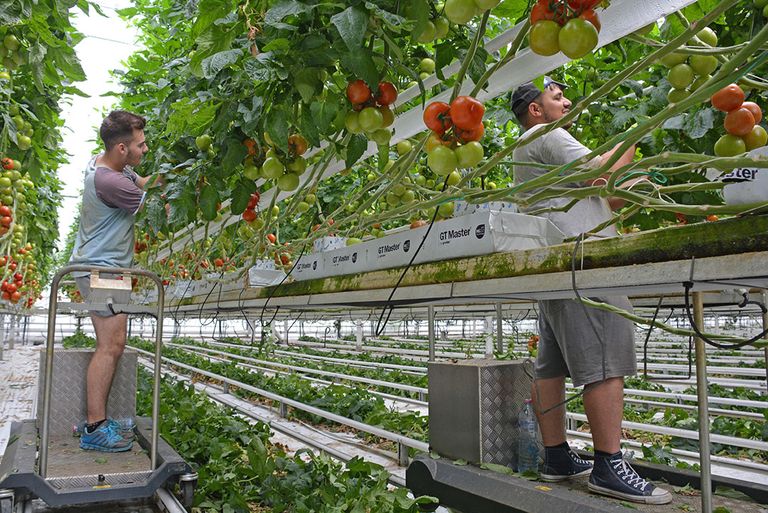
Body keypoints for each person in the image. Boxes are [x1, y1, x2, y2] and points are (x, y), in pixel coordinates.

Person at [511, 78, 672, 505]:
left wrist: (631, 187)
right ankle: (609, 464)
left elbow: (600, 195)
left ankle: (557, 456)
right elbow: (601, 173)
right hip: (586, 262)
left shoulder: (526, 152)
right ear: (535, 110)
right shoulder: (548, 135)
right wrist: (634, 134)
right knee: (605, 356)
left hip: (555, 264)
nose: (566, 100)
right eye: (556, 96)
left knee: (552, 363)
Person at [69, 110, 150, 452]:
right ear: (121, 147)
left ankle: (98, 421)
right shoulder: (109, 181)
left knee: (113, 345)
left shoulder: (108, 166)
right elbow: (152, 200)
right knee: (110, 346)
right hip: (102, 270)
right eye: (140, 144)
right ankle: (95, 427)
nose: (145, 149)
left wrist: (168, 176)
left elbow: (144, 182)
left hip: (106, 268)